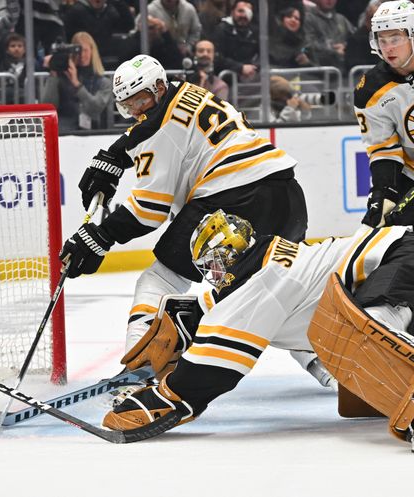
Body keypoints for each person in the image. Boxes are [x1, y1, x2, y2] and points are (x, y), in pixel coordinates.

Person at [59, 54, 307, 357]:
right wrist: (118, 154)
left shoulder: (159, 132)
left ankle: (138, 367)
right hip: (286, 193)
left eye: (140, 102)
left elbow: (148, 212)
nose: (136, 112)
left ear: (160, 87)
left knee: (160, 279)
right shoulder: (191, 91)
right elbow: (159, 126)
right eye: (128, 106)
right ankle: (327, 367)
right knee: (273, 288)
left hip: (231, 201)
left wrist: (99, 236)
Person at [102, 210, 414, 445]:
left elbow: (211, 371)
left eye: (212, 265)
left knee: (371, 336)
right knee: (354, 340)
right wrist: (181, 329)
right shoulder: (268, 263)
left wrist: (164, 395)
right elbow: (208, 307)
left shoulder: (259, 281)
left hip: (402, 254)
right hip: (399, 251)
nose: (213, 273)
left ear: (224, 257)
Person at [353, 0, 414, 229]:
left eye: (395, 39)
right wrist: (383, 192)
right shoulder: (370, 90)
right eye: (382, 39)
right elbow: (383, 151)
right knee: (379, 234)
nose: (388, 48)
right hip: (410, 175)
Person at [41, 31, 112, 132]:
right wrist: (53, 73)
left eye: (86, 50)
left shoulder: (104, 82)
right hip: (64, 131)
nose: (82, 55)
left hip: (94, 133)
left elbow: (95, 110)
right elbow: (47, 108)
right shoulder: (60, 78)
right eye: (78, 51)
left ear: (93, 51)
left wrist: (76, 84)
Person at [62, 0, 134, 69]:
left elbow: (128, 25)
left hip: (107, 59)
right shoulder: (75, 12)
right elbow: (67, 37)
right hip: (84, 62)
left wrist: (118, 2)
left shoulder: (111, 11)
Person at [211, 0, 259, 83]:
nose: (244, 15)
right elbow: (218, 57)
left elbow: (263, 54)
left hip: (251, 77)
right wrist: (240, 68)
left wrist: (255, 67)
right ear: (232, 12)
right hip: (226, 79)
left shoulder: (255, 31)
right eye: (240, 11)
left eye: (248, 12)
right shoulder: (221, 29)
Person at [303, 0, 355, 71]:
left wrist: (345, 46)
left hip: (344, 70)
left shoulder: (341, 19)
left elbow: (355, 38)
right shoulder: (308, 18)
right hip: (319, 71)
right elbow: (308, 44)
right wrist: (332, 49)